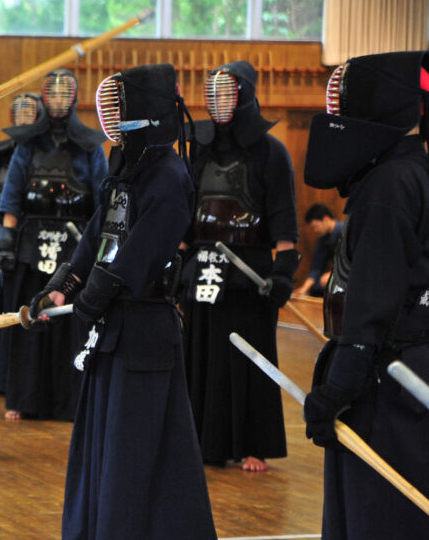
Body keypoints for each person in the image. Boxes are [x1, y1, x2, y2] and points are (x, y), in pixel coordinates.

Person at [33, 63, 216, 539]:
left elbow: (142, 253)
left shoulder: (170, 176)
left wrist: (96, 294)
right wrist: (60, 288)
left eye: (120, 107)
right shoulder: (125, 174)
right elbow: (96, 240)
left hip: (145, 335)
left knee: (137, 448)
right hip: (112, 331)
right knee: (106, 441)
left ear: (147, 113)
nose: (110, 117)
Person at [302, 50, 429, 539]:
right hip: (404, 372)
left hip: (390, 382)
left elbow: (373, 299)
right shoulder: (411, 172)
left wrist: (340, 387)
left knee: (381, 515)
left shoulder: (389, 186)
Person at [181, 61, 299, 472]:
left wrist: (283, 271)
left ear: (246, 95)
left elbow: (284, 219)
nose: (219, 102)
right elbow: (186, 210)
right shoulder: (199, 148)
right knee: (200, 355)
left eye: (228, 93)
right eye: (213, 94)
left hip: (249, 274)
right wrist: (176, 259)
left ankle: (253, 443)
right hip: (202, 268)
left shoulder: (271, 152)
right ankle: (200, 439)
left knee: (248, 359)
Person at [0, 69, 108, 421]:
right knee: (33, 320)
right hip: (32, 244)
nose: (58, 100)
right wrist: (7, 246)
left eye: (65, 93)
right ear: (45, 98)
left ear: (74, 99)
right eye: (53, 93)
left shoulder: (90, 146)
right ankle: (25, 399)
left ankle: (71, 401)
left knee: (70, 326)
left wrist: (97, 253)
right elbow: (12, 198)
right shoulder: (28, 145)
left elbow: (102, 203)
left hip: (75, 248)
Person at [0, 93, 42, 395]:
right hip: (3, 240)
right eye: (20, 113)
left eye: (31, 113)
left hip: (32, 243)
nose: (25, 118)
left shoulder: (40, 154)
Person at [295, 203, 342, 298]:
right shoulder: (322, 238)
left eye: (315, 226)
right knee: (315, 287)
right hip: (336, 276)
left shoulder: (344, 230)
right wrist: (304, 289)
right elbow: (316, 267)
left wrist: (335, 274)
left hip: (350, 275)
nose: (315, 230)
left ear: (326, 219)